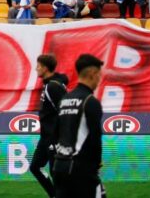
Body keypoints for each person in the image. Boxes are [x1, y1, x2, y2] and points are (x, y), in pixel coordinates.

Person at [52, 54, 105, 198]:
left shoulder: (65, 99)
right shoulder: (90, 101)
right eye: (99, 75)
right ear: (92, 74)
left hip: (60, 166)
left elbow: (56, 132)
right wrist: (96, 165)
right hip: (80, 169)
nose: (100, 79)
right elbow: (95, 138)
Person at [30, 55, 68, 198]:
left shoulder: (53, 87)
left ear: (45, 68)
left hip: (54, 138)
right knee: (35, 167)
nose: (36, 69)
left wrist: (61, 137)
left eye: (38, 66)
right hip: (45, 137)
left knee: (56, 174)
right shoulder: (49, 85)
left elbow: (65, 112)